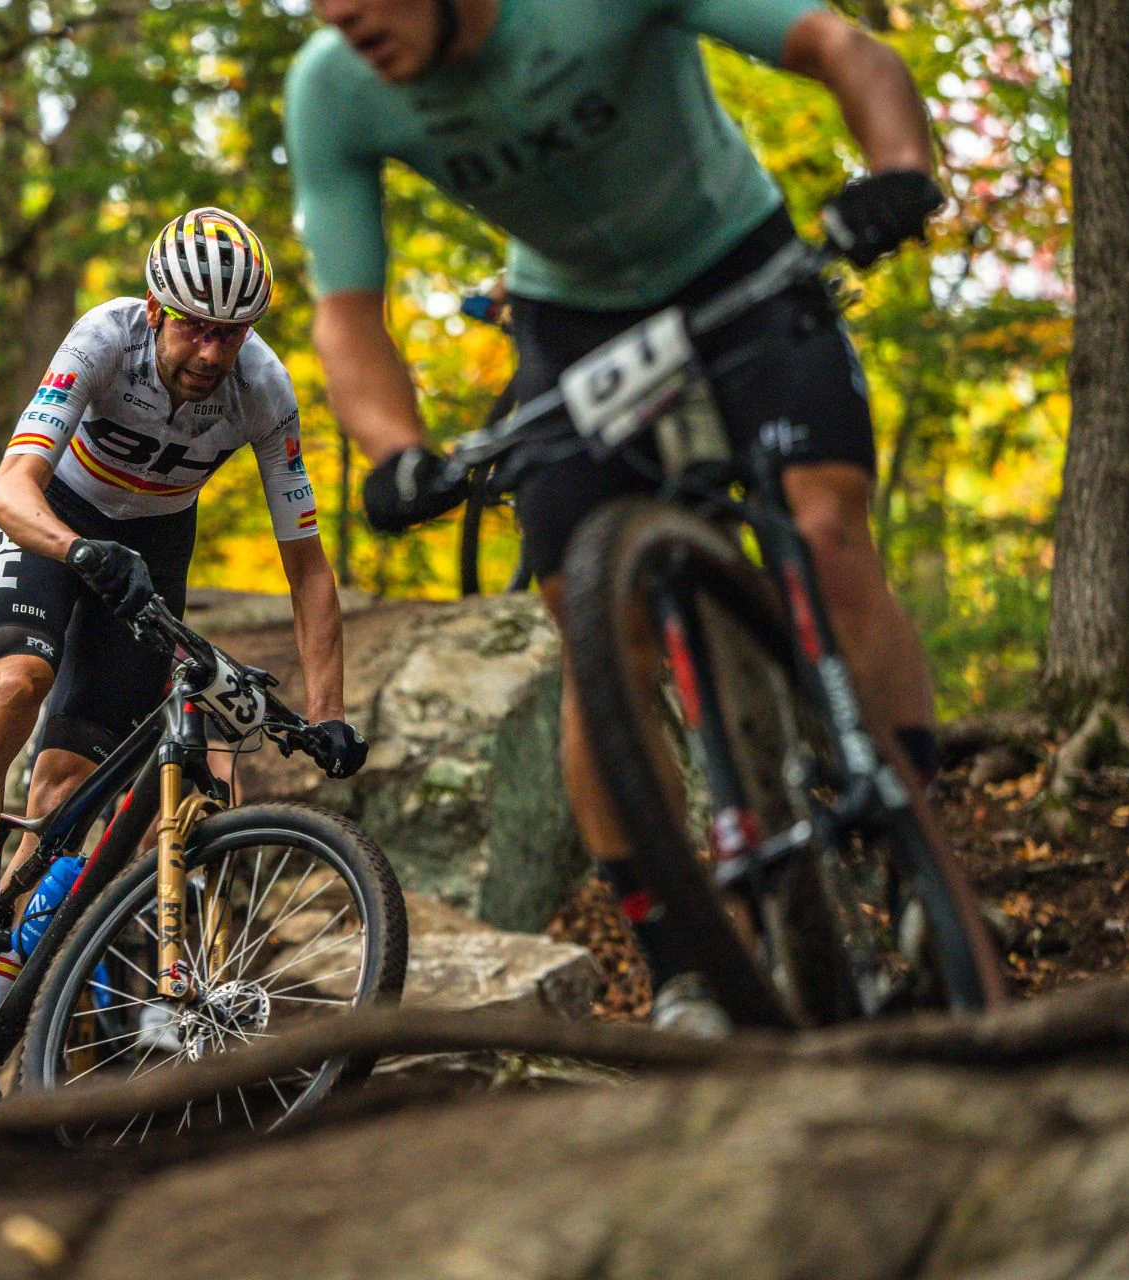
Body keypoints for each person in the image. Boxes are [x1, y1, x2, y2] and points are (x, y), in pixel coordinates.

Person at [286, 0, 946, 1033]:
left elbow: (838, 45)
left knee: (823, 529)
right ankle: (679, 959)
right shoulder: (334, 88)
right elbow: (347, 313)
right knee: (589, 620)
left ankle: (919, 857)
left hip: (736, 259)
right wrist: (396, 451)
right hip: (576, 323)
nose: (340, 13)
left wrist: (897, 167)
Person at [0, 207, 368, 1040]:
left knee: (72, 783)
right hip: (51, 517)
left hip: (155, 539)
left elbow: (309, 568)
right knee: (12, 687)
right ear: (154, 310)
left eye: (232, 334)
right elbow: (8, 489)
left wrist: (325, 713)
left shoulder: (264, 389)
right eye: (195, 330)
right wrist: (77, 552)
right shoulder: (103, 338)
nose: (213, 353)